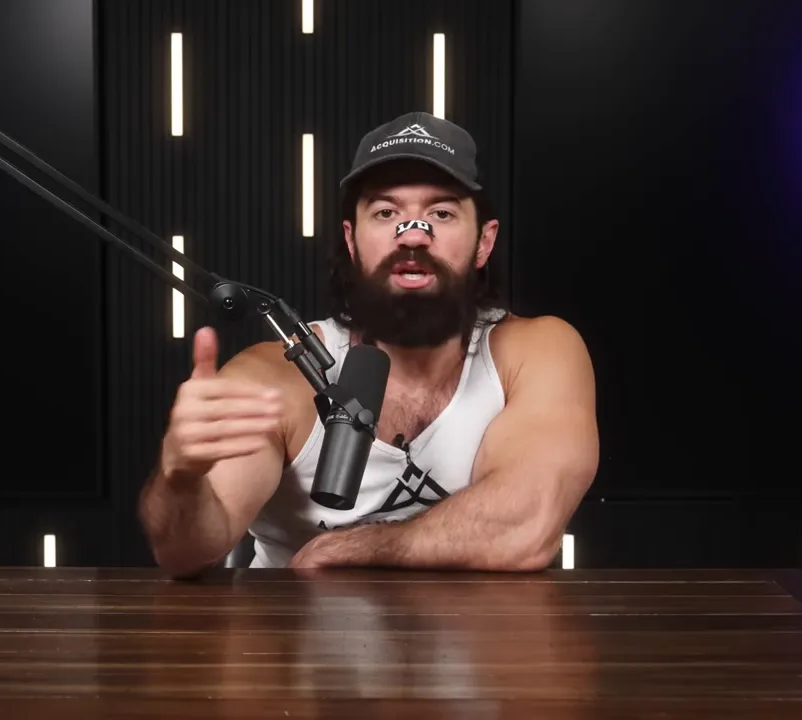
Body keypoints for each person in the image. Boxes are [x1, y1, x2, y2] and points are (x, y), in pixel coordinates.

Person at [138, 112, 599, 575]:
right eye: (386, 213)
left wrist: (356, 549)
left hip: (475, 644)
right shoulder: (276, 377)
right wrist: (180, 478)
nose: (414, 236)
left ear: (484, 241)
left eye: (441, 213)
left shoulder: (535, 352)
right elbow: (186, 553)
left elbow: (527, 526)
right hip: (294, 644)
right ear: (352, 241)